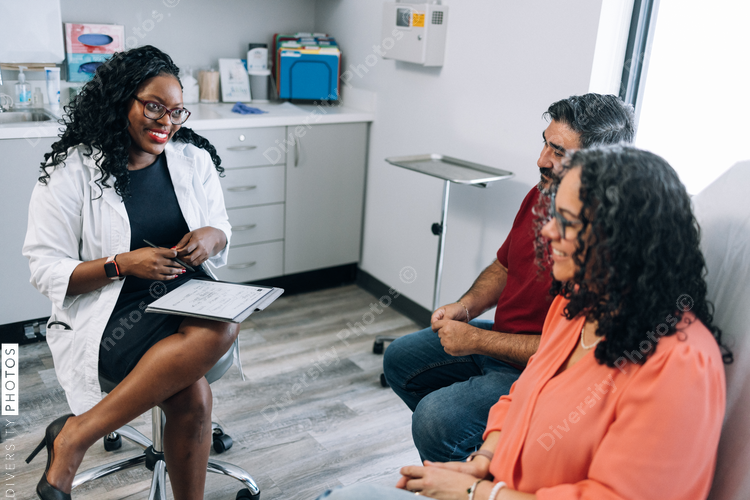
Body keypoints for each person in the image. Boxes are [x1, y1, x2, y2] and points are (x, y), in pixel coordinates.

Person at [318, 145, 731, 500]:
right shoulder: (575, 310)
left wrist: (476, 492)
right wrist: (482, 461)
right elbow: (520, 396)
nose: (548, 231)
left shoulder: (678, 366)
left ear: (624, 238)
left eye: (566, 221)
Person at [23, 46, 236, 500]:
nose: (166, 122)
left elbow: (222, 226)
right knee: (195, 393)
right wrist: (121, 263)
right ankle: (76, 437)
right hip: (111, 315)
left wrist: (210, 238)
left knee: (218, 329)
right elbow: (44, 269)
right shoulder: (71, 171)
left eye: (176, 111)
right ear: (121, 100)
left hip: (185, 297)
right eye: (153, 106)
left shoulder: (191, 160)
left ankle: (74, 435)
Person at [383, 93, 635, 463]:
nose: (541, 160)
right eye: (545, 143)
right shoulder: (542, 194)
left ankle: (481, 463)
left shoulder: (606, 242)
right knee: (400, 359)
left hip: (544, 367)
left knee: (436, 419)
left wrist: (477, 341)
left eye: (559, 153)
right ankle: (484, 458)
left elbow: (570, 351)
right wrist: (465, 309)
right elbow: (504, 266)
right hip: (501, 338)